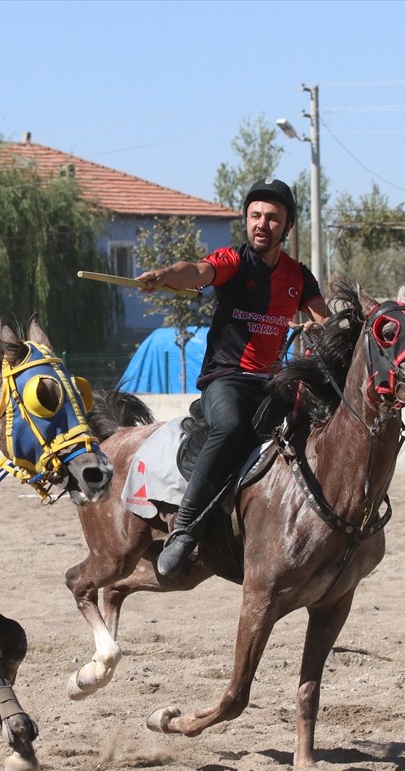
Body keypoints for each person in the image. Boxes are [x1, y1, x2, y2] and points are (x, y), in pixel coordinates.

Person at [136, 179, 329, 578]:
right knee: (231, 425)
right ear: (246, 220)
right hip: (226, 379)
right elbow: (195, 271)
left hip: (273, 383)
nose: (262, 224)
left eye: (272, 218)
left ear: (288, 226)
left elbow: (322, 318)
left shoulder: (299, 275)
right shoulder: (233, 260)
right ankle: (185, 529)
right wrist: (167, 274)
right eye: (255, 215)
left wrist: (324, 330)